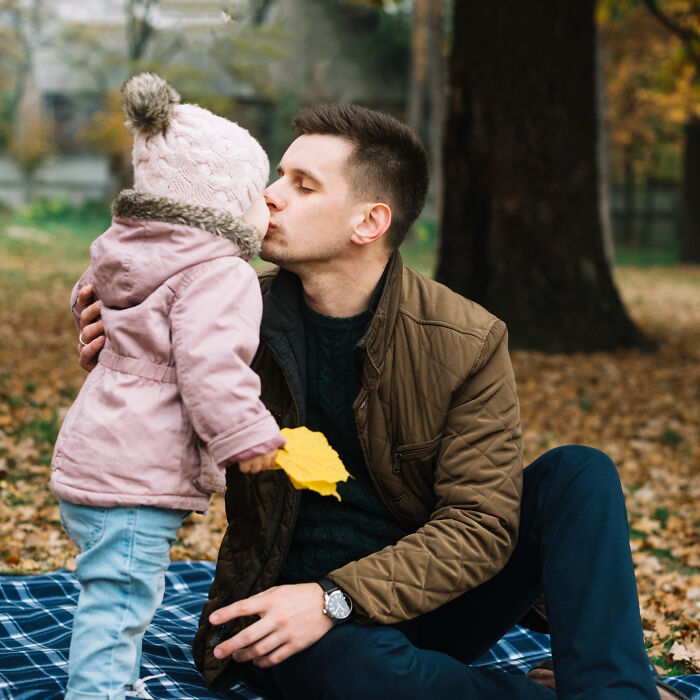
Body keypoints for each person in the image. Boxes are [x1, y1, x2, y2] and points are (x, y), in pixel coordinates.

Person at [76, 104, 681, 700]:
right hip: (297, 618)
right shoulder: (221, 315)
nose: (268, 196)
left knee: (580, 473)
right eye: (277, 175)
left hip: (426, 599)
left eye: (301, 185)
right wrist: (133, 345)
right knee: (352, 667)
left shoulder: (466, 339)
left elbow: (481, 523)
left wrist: (337, 598)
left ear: (369, 223)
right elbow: (137, 341)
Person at [52, 73, 285, 700]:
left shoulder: (124, 248)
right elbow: (213, 367)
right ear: (228, 201)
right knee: (121, 606)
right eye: (260, 193)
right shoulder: (219, 274)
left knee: (113, 593)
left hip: (92, 453)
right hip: (137, 472)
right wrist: (251, 440)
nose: (271, 205)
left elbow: (92, 303)